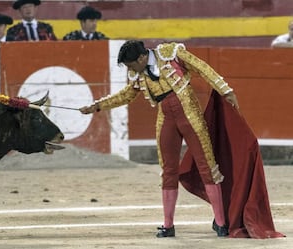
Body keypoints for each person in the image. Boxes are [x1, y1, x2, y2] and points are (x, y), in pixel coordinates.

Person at [80, 40, 239, 238]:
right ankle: (168, 225)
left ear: (141, 57)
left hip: (190, 113)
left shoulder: (171, 53)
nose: (131, 70)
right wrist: (96, 106)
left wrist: (226, 90)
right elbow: (127, 95)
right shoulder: (137, 72)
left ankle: (222, 223)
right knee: (168, 171)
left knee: (207, 166)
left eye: (131, 65)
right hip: (166, 118)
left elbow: (202, 68)